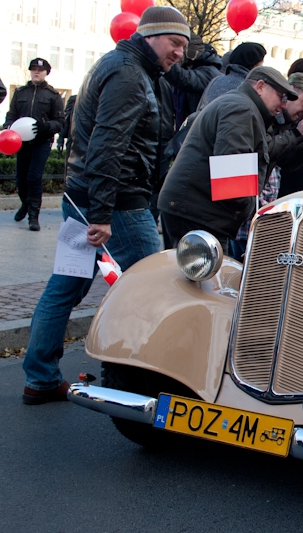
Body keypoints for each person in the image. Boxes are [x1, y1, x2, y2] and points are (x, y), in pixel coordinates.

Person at [21, 6, 190, 405]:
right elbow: (109, 144)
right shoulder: (130, 74)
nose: (180, 53)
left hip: (90, 197)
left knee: (65, 286)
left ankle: (40, 378)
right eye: (175, 43)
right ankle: (157, 384)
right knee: (159, 288)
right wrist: (101, 214)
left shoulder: (126, 67)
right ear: (151, 36)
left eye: (184, 46)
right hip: (115, 203)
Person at [158, 67, 297, 250]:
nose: (284, 105)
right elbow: (232, 175)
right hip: (198, 213)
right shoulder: (242, 108)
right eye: (282, 96)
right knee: (204, 277)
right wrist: (246, 206)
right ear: (261, 86)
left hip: (195, 210)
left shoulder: (242, 106)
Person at [227, 72, 303, 259]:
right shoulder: (254, 113)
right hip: (242, 217)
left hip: (254, 213)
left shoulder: (280, 122)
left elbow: (284, 162)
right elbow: (262, 154)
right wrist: (297, 134)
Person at [3, 58, 65, 231]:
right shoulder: (20, 92)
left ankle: (33, 216)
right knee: (21, 179)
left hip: (41, 142)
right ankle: (26, 204)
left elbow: (60, 122)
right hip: (21, 142)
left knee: (34, 177)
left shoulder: (53, 95)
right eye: (33, 69)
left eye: (40, 70)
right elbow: (11, 115)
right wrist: (8, 126)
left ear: (46, 73)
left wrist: (46, 126)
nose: (36, 72)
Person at [164, 32, 222, 130]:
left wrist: (164, 62)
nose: (176, 55)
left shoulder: (210, 72)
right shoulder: (187, 68)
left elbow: (188, 80)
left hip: (197, 131)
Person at [197, 42, 266, 110]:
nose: (262, 67)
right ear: (253, 65)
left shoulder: (216, 81)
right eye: (261, 63)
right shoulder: (249, 89)